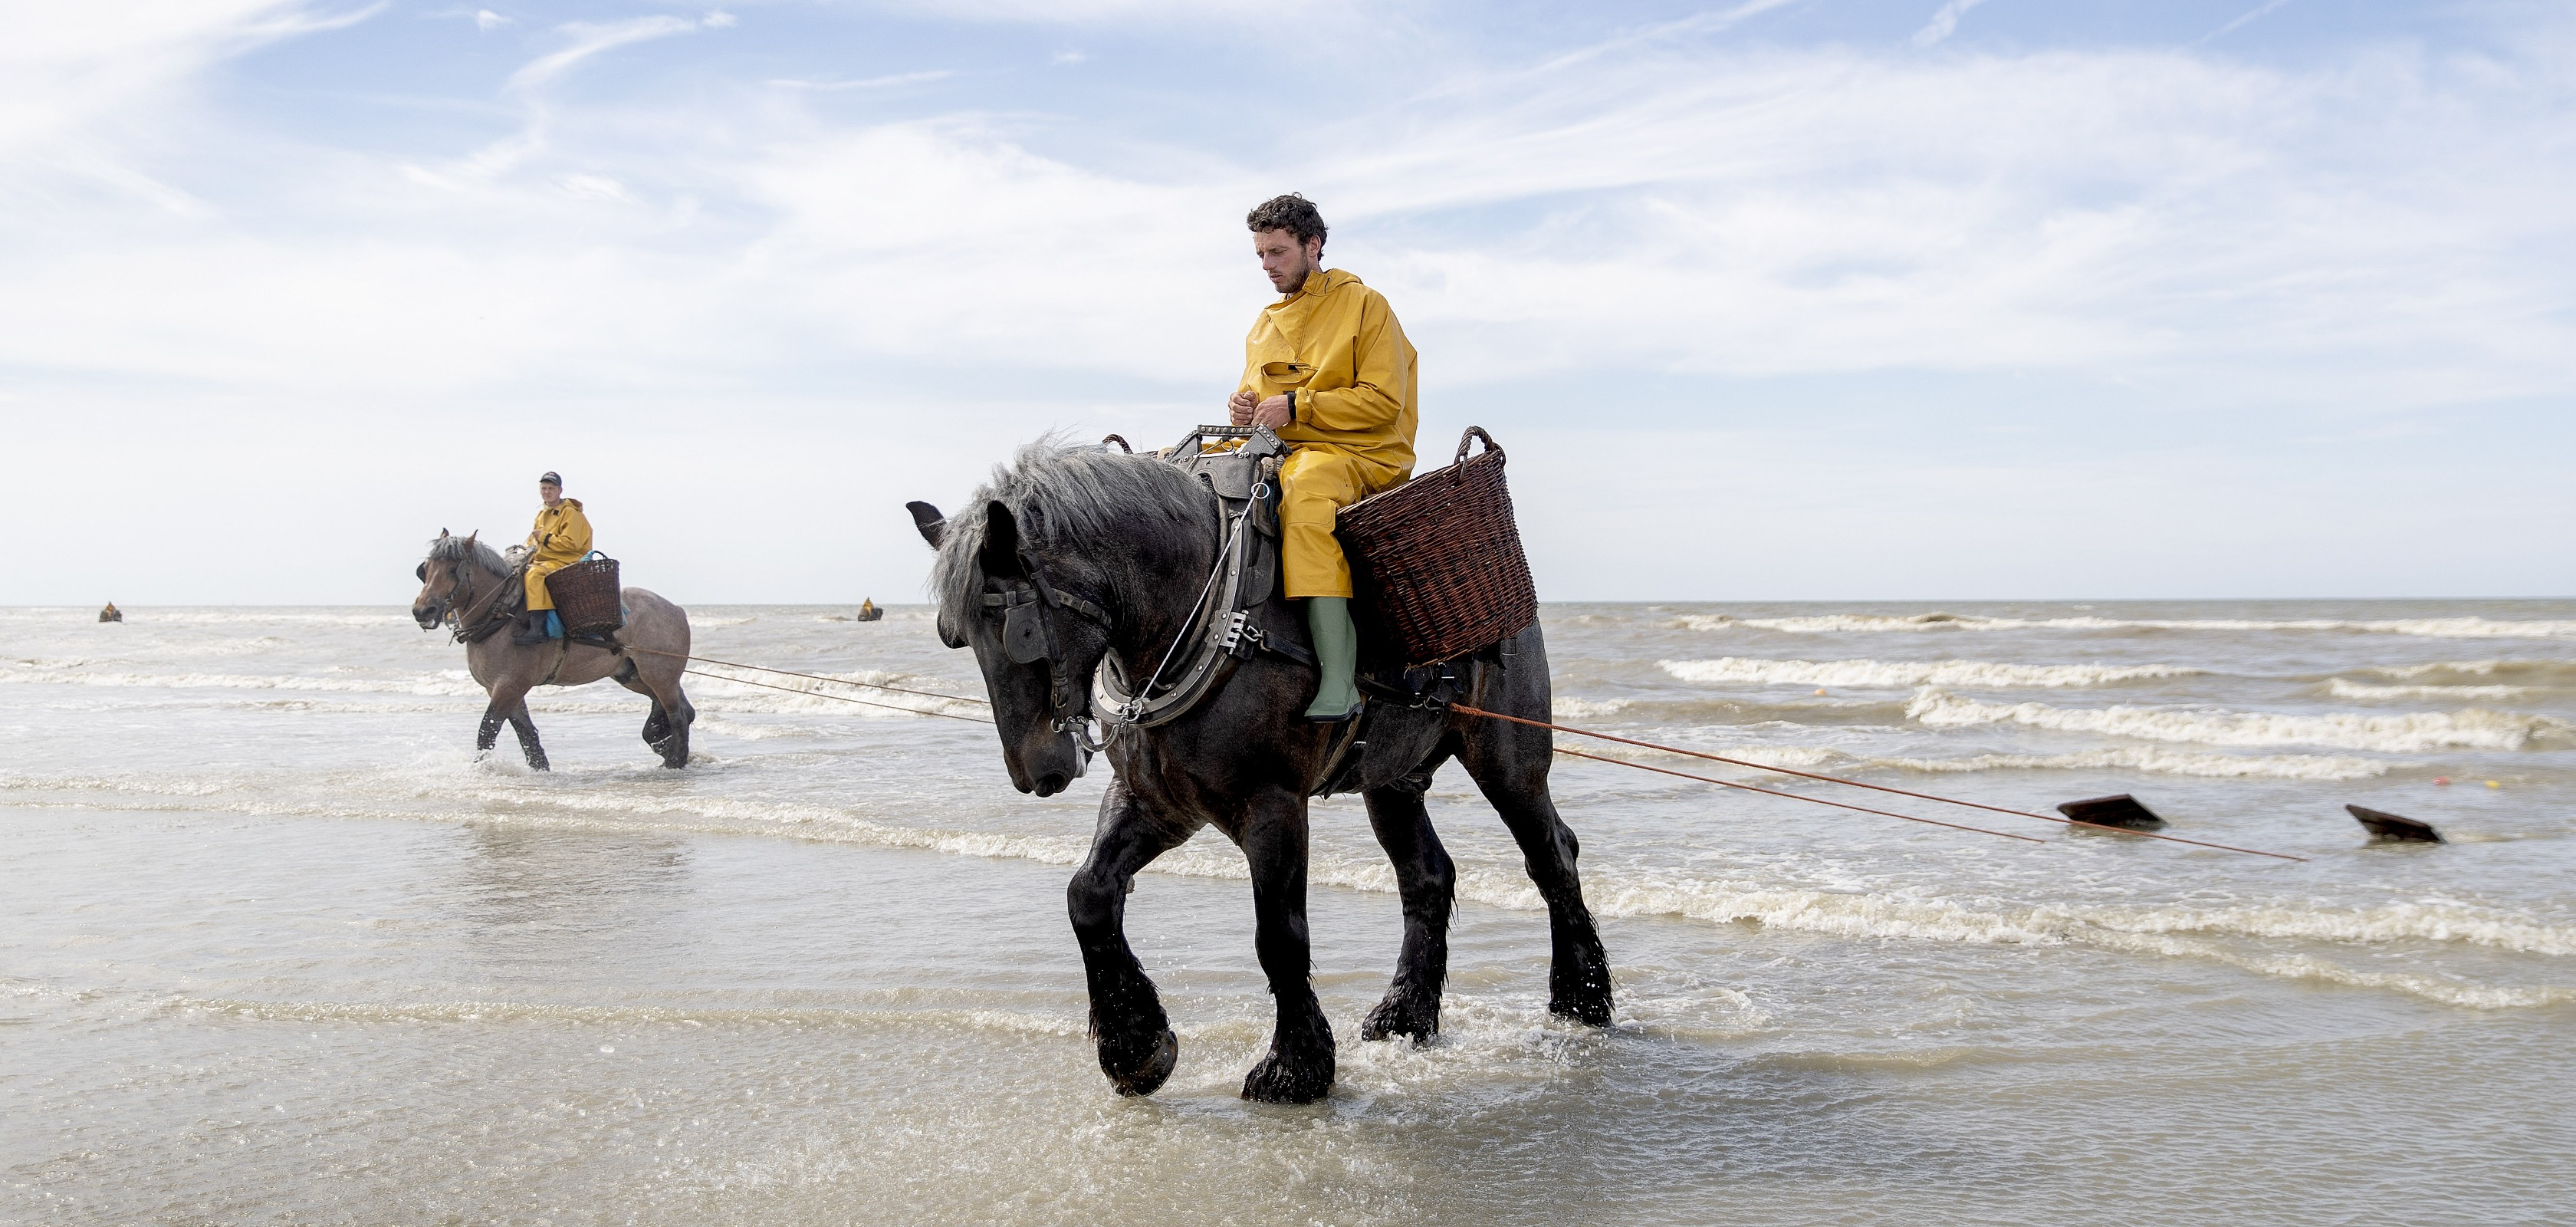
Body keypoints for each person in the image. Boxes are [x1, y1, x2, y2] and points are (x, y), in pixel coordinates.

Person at [1226, 193, 1419, 722]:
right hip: (1289, 453)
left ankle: (1339, 681)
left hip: (1364, 453)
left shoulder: (1366, 305)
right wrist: (1245, 411)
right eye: (1261, 254)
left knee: (1306, 493)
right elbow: (1257, 402)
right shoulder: (1263, 325)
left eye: (1278, 253)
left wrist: (1294, 405)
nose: (1267, 266)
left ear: (1314, 246)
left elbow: (1384, 403)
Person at [513, 472, 593, 646]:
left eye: (551, 488)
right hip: (544, 560)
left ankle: (538, 630)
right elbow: (532, 541)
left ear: (560, 490)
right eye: (544, 488)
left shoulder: (572, 514)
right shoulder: (542, 513)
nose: (547, 492)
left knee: (535, 575)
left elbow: (572, 544)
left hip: (567, 562)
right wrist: (520, 553)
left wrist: (545, 537)